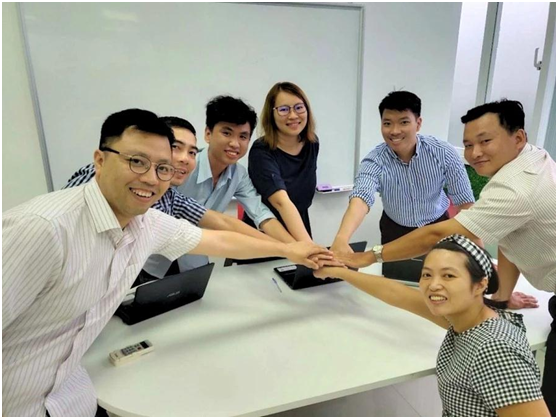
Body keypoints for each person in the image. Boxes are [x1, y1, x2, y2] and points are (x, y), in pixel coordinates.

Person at [2, 108, 332, 417]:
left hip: (73, 397)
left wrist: (291, 250)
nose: (151, 178)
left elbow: (220, 238)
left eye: (163, 168)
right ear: (100, 160)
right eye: (136, 162)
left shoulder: (148, 221)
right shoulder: (42, 229)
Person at [335, 99, 556, 415]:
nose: (475, 152)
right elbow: (404, 295)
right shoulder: (529, 159)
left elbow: (451, 225)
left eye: (485, 141)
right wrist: (501, 297)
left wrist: (370, 257)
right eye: (469, 144)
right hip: (402, 232)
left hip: (439, 229)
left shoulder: (513, 187)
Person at [316, 235, 550, 417]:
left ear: (480, 285)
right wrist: (339, 272)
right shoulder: (469, 318)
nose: (433, 285)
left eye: (448, 276)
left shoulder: (494, 351)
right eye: (427, 275)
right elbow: (398, 294)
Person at [65, 115, 291, 278]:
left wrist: (287, 248)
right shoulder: (95, 179)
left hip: (138, 272)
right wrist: (286, 249)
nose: (184, 159)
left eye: (192, 152)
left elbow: (222, 224)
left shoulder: (170, 195)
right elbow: (65, 219)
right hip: (99, 274)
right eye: (175, 148)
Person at [331, 91, 475, 279]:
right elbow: (361, 198)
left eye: (404, 122)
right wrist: (342, 238)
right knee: (396, 281)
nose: (394, 131)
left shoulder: (443, 152)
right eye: (387, 123)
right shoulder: (374, 160)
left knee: (441, 281)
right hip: (395, 230)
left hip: (438, 225)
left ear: (418, 123)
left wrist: (476, 250)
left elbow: (465, 202)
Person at [243, 82, 319, 242]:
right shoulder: (261, 151)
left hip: (299, 226)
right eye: (284, 109)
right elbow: (281, 203)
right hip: (266, 233)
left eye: (299, 107)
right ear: (271, 114)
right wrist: (309, 248)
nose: (293, 115)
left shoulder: (312, 144)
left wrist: (308, 246)